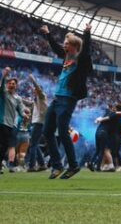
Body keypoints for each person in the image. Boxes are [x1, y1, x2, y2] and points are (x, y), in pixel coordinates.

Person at [40, 23, 93, 180]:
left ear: (75, 46)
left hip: (68, 99)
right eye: (65, 43)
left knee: (63, 132)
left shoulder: (81, 59)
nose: (64, 45)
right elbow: (56, 48)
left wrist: (87, 33)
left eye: (67, 43)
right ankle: (57, 166)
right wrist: (48, 34)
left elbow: (86, 50)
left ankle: (73, 165)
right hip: (57, 99)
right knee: (47, 132)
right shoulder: (66, 57)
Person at [0, 67, 29, 174]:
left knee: (4, 146)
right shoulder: (3, 93)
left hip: (9, 124)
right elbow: (1, 85)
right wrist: (4, 75)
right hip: (1, 122)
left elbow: (21, 110)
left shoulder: (18, 98)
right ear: (7, 85)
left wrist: (24, 115)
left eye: (14, 84)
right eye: (10, 83)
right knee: (3, 145)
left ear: (16, 86)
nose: (12, 85)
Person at [26, 74, 48, 172]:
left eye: (35, 89)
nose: (34, 91)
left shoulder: (42, 96)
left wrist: (33, 81)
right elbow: (27, 102)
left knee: (33, 145)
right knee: (35, 144)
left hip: (38, 123)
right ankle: (42, 164)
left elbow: (39, 90)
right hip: (39, 123)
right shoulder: (37, 100)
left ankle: (31, 166)